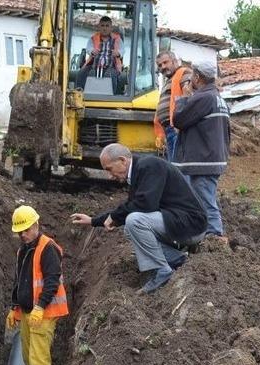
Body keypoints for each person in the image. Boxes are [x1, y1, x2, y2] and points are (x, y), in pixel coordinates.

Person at [70, 144, 206, 294]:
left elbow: (145, 204)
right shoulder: (141, 170)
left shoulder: (149, 165)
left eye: (109, 169)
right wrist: (93, 221)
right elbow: (132, 205)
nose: (110, 175)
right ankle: (176, 259)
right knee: (130, 228)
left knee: (134, 221)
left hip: (191, 225)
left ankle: (162, 270)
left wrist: (114, 217)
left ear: (122, 160)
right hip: (180, 223)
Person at [5, 205, 69, 365]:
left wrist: (40, 306)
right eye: (19, 232)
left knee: (38, 358)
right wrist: (15, 307)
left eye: (25, 230)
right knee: (26, 355)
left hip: (44, 312)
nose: (22, 235)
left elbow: (51, 281)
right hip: (26, 311)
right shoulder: (23, 250)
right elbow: (20, 281)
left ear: (35, 225)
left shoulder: (47, 248)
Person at [171, 59, 231, 239]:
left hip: (204, 160)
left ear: (197, 77)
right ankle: (207, 234)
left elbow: (179, 120)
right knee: (205, 197)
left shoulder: (203, 98)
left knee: (205, 200)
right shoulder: (217, 98)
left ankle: (214, 237)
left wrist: (184, 98)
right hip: (213, 158)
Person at [153, 51, 191, 161]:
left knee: (178, 166)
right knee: (174, 165)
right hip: (169, 129)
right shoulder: (169, 80)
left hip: (177, 128)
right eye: (160, 65)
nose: (163, 67)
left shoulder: (183, 72)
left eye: (165, 62)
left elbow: (188, 92)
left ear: (174, 61)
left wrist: (181, 121)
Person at [76, 16, 123, 93]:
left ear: (111, 28)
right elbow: (89, 48)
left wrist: (118, 53)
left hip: (111, 66)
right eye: (102, 26)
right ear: (99, 27)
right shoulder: (93, 38)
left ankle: (113, 96)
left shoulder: (117, 39)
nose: (105, 28)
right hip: (94, 65)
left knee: (111, 76)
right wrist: (92, 51)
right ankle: (78, 93)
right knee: (81, 73)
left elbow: (122, 50)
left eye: (107, 26)